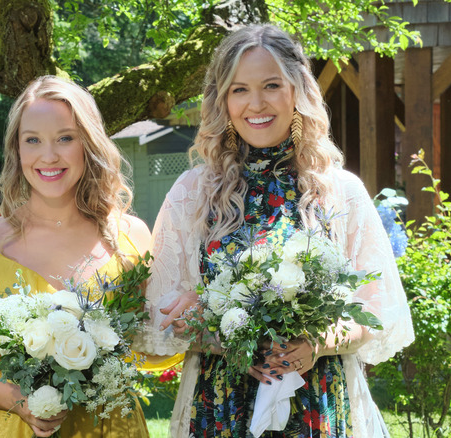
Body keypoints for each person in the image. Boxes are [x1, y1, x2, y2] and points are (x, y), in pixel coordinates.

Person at [134, 24, 414, 438]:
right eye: (239, 89)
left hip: (318, 400)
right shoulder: (193, 193)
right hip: (222, 403)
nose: (256, 103)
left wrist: (318, 341)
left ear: (297, 91)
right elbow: (158, 314)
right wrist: (223, 335)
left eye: (271, 85)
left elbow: (377, 313)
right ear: (223, 100)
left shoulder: (340, 192)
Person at [0, 75, 152, 438]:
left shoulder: (131, 237)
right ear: (17, 149)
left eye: (65, 138)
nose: (49, 156)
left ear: (88, 144)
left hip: (111, 427)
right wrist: (19, 401)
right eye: (33, 140)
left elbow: (154, 339)